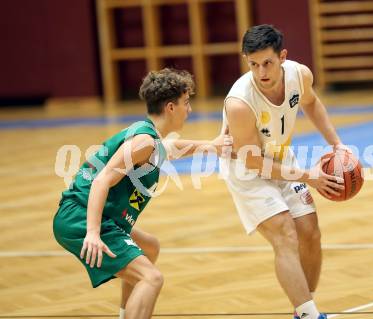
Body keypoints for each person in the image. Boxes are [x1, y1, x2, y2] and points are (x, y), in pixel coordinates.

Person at [53, 68, 231, 319]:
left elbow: (170, 148)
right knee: (152, 278)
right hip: (81, 216)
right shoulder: (144, 142)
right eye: (186, 103)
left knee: (149, 247)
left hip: (97, 215)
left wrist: (209, 146)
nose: (189, 110)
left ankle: (126, 314)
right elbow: (102, 181)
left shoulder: (149, 137)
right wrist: (92, 233)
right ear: (171, 107)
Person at [220, 24, 347, 319]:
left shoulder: (299, 75)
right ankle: (309, 315)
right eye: (253, 64)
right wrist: (308, 176)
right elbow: (252, 161)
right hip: (247, 171)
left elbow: (312, 104)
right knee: (285, 234)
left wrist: (337, 145)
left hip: (281, 158)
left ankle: (303, 307)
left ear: (283, 57)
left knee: (310, 233)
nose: (261, 71)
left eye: (268, 62)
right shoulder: (239, 102)